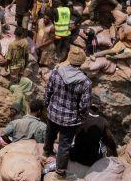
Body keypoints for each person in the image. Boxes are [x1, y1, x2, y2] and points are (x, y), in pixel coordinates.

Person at [44, 45, 91, 177]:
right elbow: (84, 105)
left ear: (69, 60)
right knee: (64, 145)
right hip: (70, 120)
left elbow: (48, 91)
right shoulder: (85, 82)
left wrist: (47, 105)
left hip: (53, 113)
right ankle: (60, 171)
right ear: (81, 63)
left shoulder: (56, 72)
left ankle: (46, 153)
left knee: (50, 134)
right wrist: (82, 117)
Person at [69, 95, 118, 167]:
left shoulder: (79, 115)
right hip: (92, 161)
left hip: (74, 156)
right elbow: (110, 142)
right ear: (98, 108)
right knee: (103, 145)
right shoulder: (103, 121)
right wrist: (116, 155)